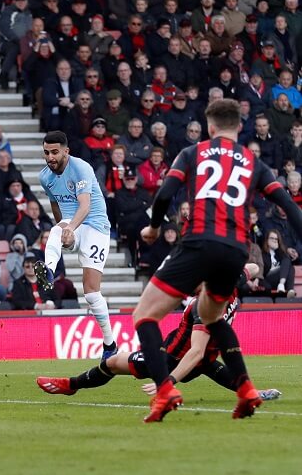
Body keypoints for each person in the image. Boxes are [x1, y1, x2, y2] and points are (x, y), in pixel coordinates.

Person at [134, 98, 302, 423]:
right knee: (212, 317)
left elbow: (166, 194)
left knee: (144, 314)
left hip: (200, 242)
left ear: (210, 127)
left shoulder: (193, 153)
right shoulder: (254, 162)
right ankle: (246, 390)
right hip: (236, 250)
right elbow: (289, 206)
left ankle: (165, 390)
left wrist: (154, 228)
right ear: (239, 127)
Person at [38, 266, 281, 402]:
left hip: (171, 360)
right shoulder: (229, 287)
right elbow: (254, 267)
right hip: (202, 361)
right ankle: (251, 392)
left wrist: (168, 381)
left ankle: (70, 385)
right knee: (209, 365)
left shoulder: (203, 307)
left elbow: (194, 351)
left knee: (112, 362)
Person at [36, 131, 116, 361]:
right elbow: (55, 205)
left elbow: (85, 206)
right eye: (46, 153)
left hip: (95, 226)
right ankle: (49, 269)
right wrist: (64, 233)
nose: (50, 157)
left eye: (54, 152)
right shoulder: (45, 177)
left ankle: (110, 344)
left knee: (91, 293)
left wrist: (70, 228)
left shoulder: (81, 168)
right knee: (54, 230)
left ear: (65, 151)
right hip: (72, 225)